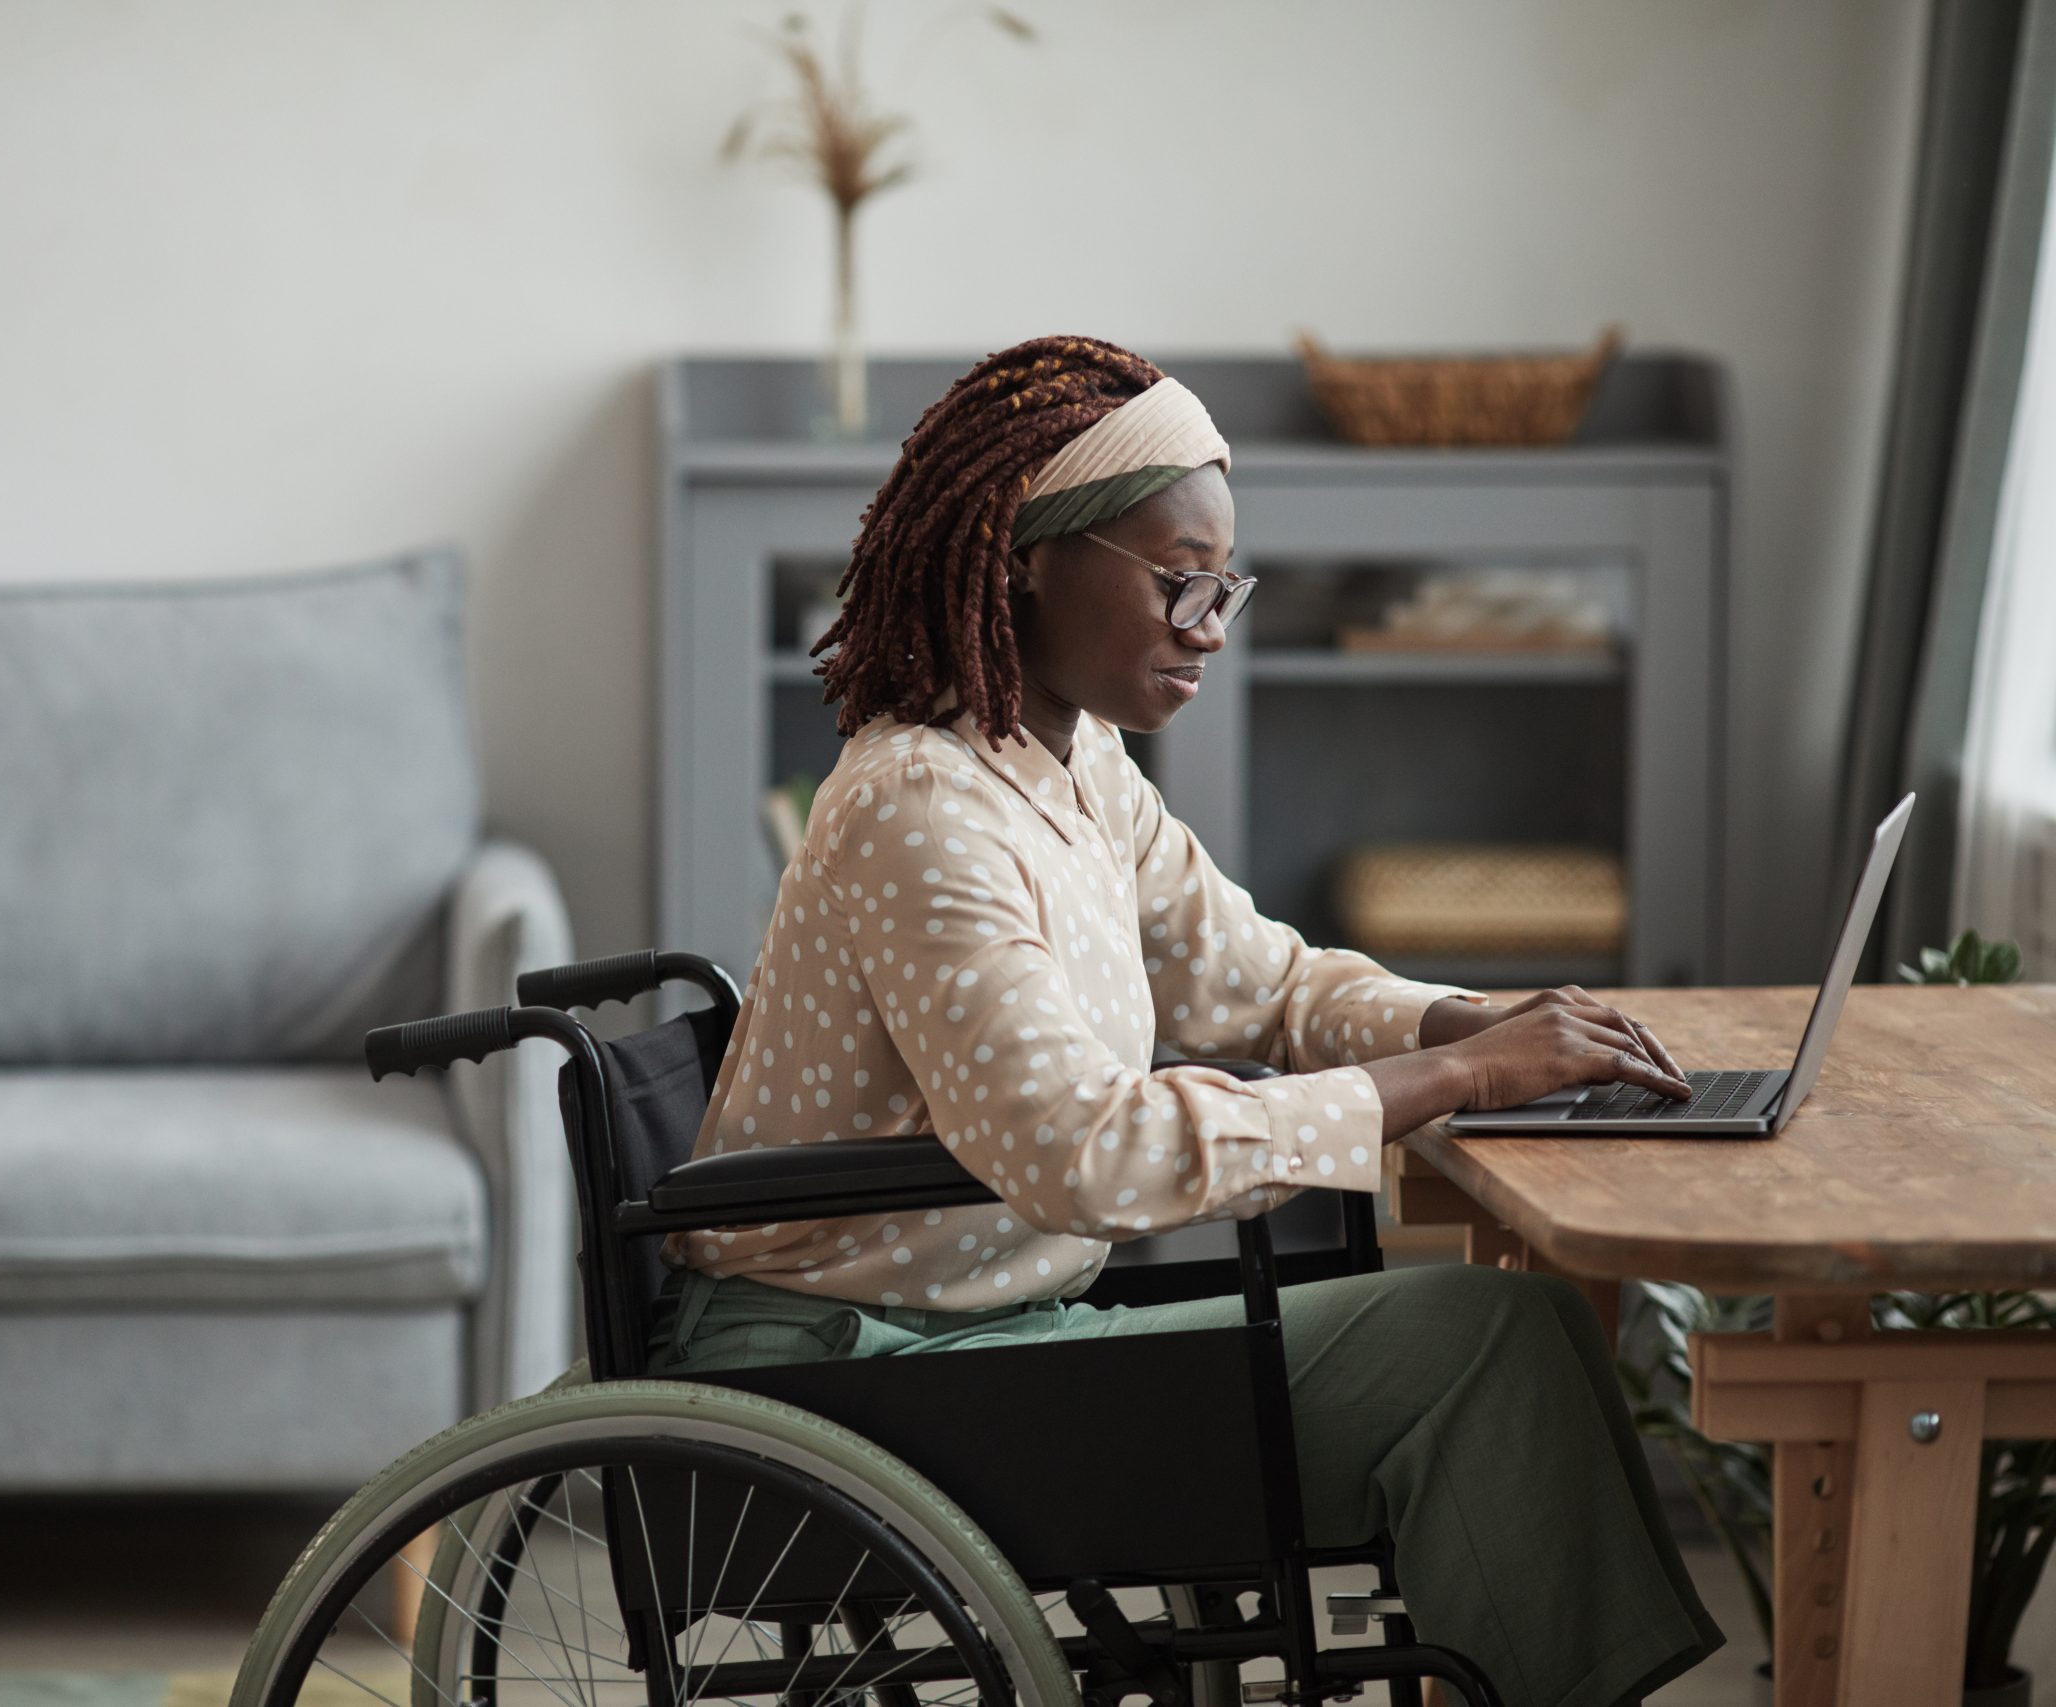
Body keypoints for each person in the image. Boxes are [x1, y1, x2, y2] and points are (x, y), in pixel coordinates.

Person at [649, 335, 1724, 1707]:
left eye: (1226, 586)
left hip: (992, 1331)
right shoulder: (922, 806)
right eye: (1179, 581)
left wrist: (1478, 1020)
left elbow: (1259, 982)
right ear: (1024, 553)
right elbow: (1083, 1155)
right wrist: (1449, 1079)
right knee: (1484, 1349)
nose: (1212, 623)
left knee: (1505, 1335)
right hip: (863, 1369)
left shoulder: (1076, 760)